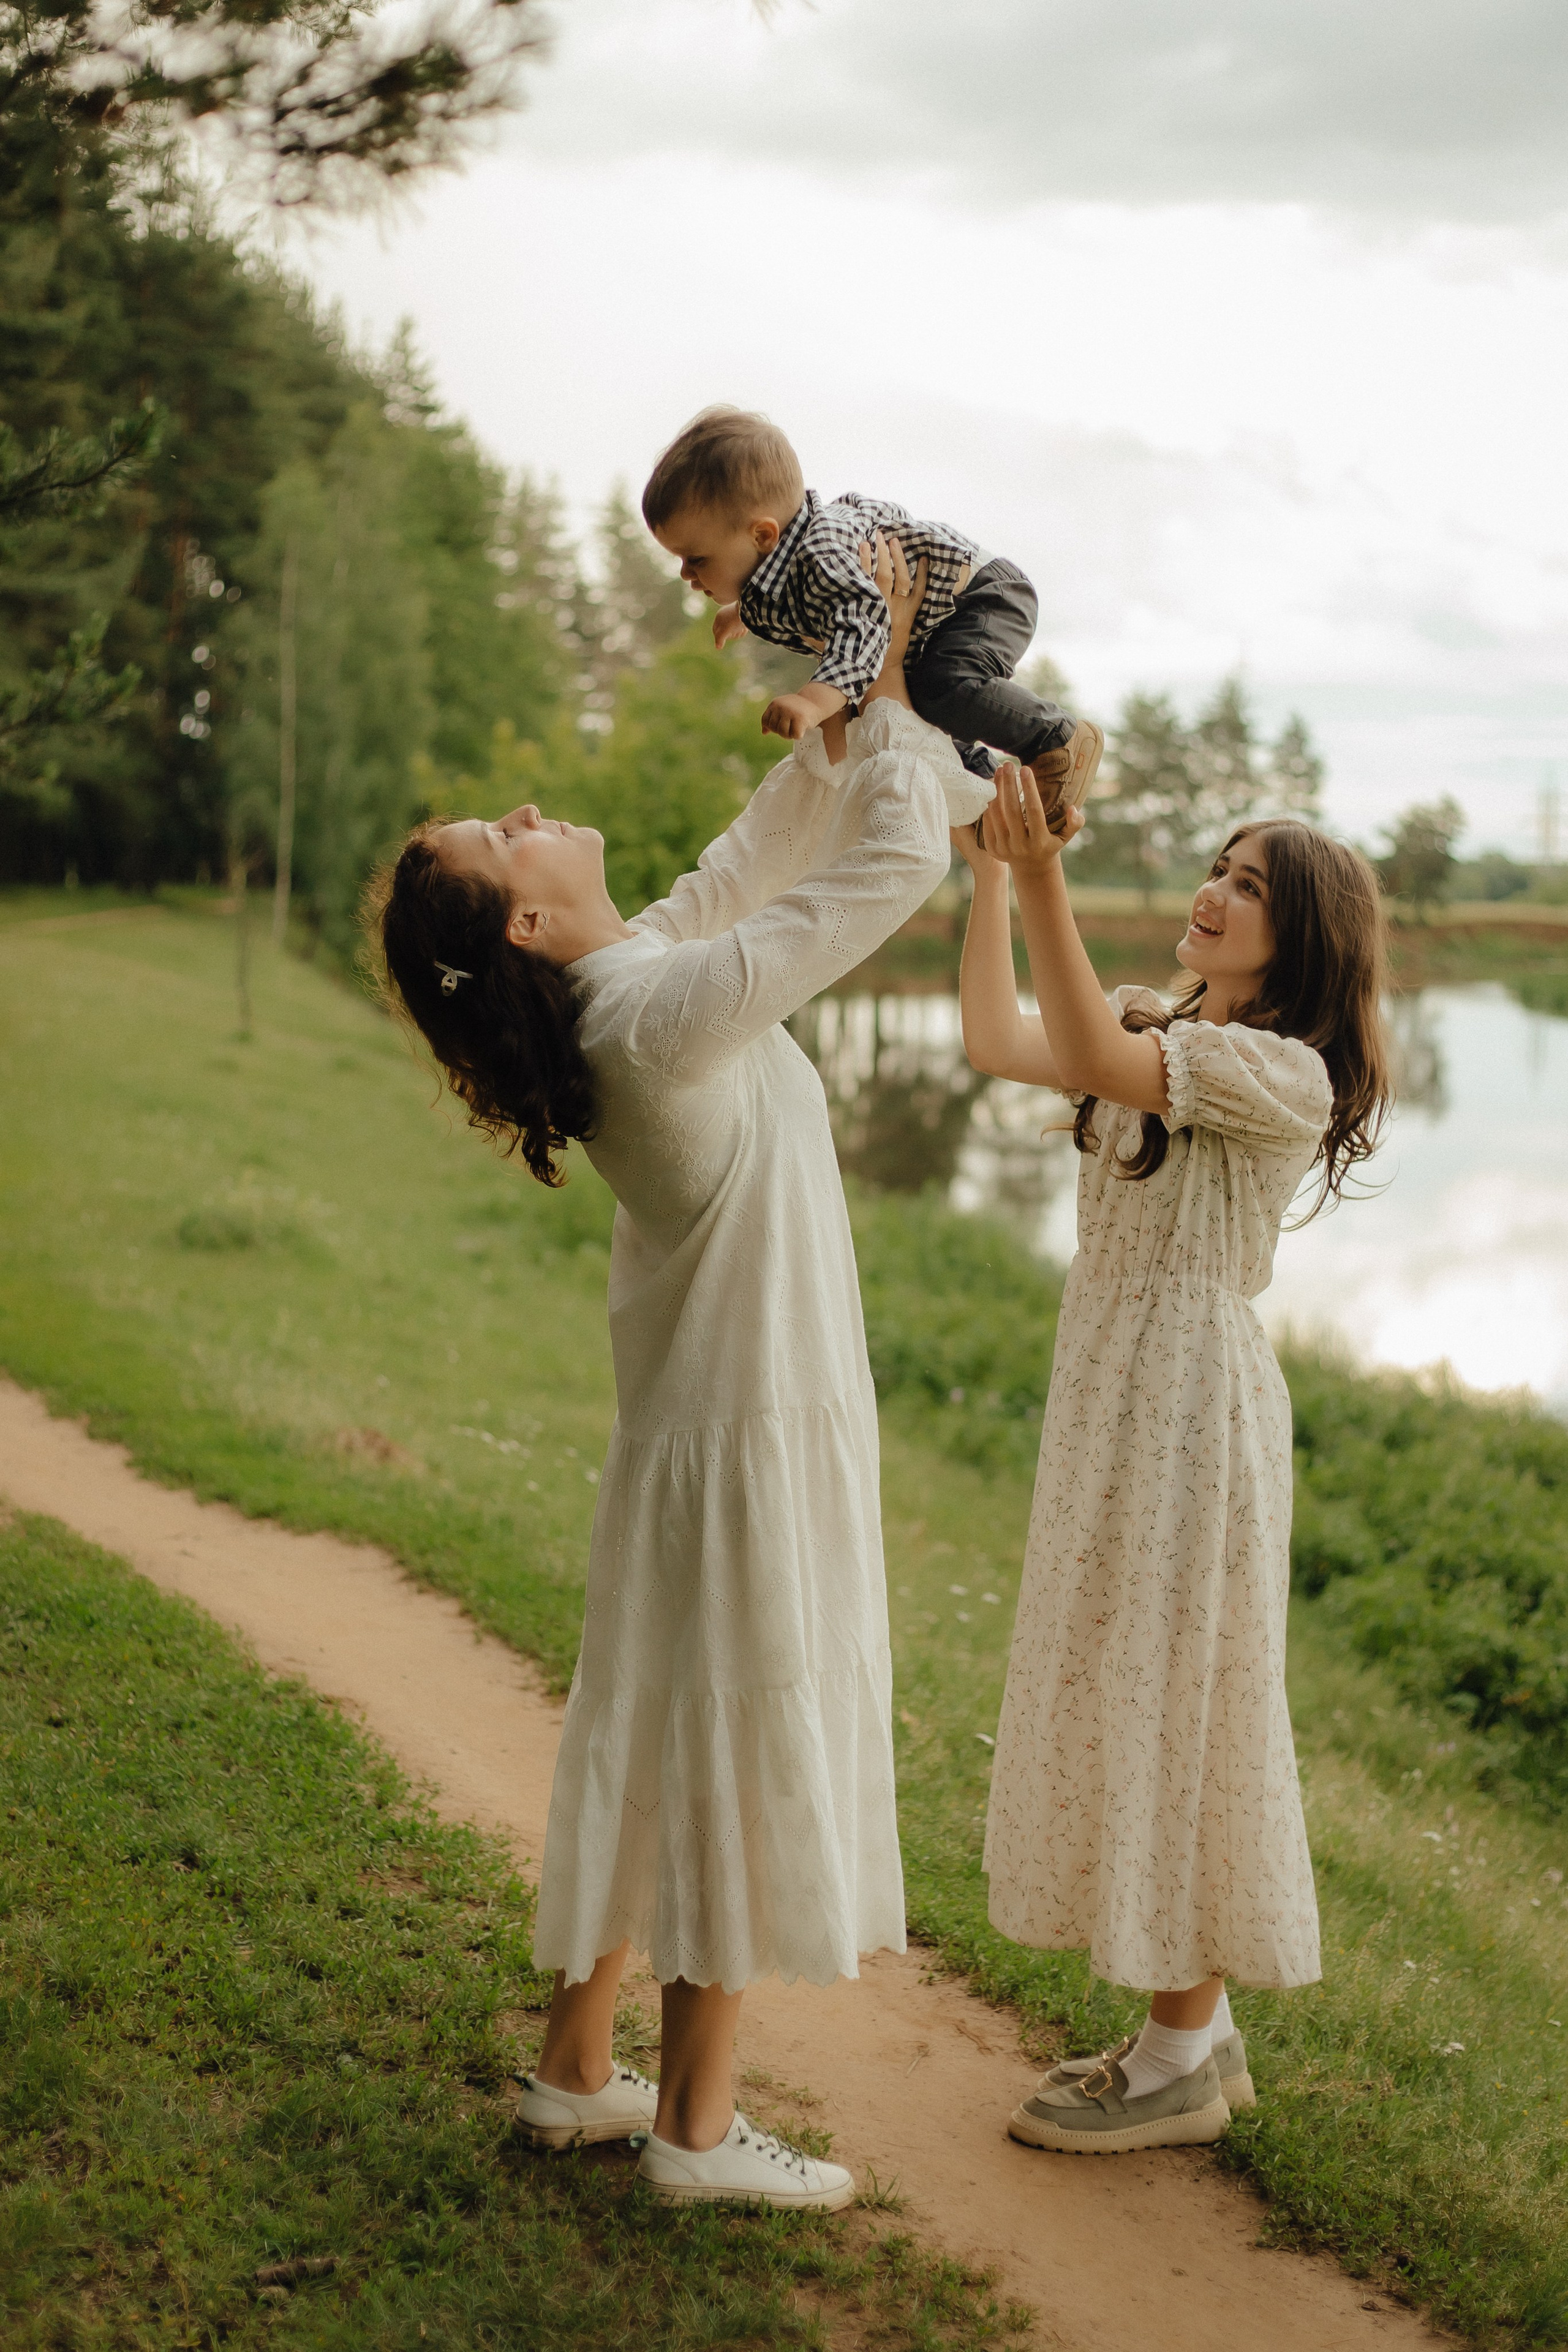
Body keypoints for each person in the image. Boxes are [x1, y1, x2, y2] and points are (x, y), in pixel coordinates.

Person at [374, 540, 957, 2208]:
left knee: (662, 1729)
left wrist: (842, 713)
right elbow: (877, 876)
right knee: (731, 1740)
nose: (538, 803)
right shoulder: (656, 1016)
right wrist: (907, 714)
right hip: (749, 1437)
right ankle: (698, 2134)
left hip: (708, 1430)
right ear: (531, 918)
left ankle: (578, 2073)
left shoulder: (634, 982)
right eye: (512, 831)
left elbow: (763, 853)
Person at [955, 763, 1392, 2154]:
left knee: (1176, 1693)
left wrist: (1041, 874)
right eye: (1216, 864)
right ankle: (1186, 2033)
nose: (1211, 891)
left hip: (1189, 1402)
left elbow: (1083, 1052)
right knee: (1127, 1681)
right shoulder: (1163, 1024)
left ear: (1303, 932)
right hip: (1115, 1391)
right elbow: (994, 1035)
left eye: (1248, 883)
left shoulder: (1279, 1071)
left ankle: (1175, 2055)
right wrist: (982, 874)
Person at [641, 404, 1103, 826]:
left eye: (696, 559)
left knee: (942, 685)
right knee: (910, 705)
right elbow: (798, 595)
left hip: (979, 594)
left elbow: (860, 619)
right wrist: (742, 611)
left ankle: (1054, 738)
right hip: (936, 622)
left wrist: (812, 700)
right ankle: (983, 798)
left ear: (763, 534)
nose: (685, 573)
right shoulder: (781, 568)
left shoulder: (824, 547)